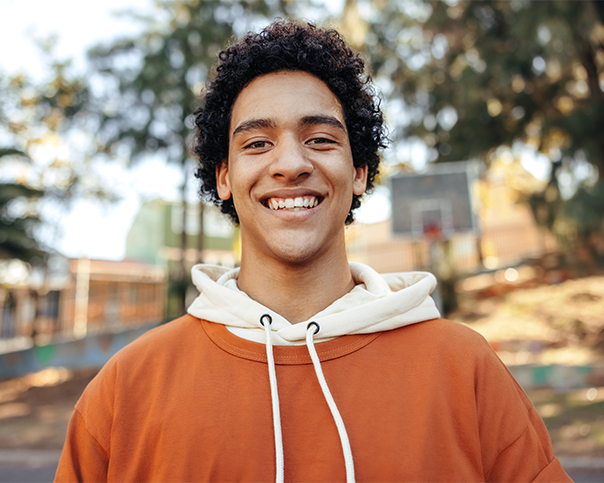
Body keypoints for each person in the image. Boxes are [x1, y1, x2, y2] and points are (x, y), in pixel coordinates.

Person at [55, 20, 571, 482]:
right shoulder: (128, 386)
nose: (290, 163)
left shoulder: (465, 369)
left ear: (360, 171)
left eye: (320, 139)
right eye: (257, 143)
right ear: (225, 177)